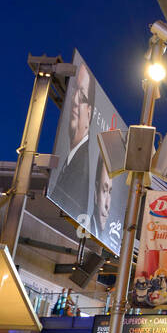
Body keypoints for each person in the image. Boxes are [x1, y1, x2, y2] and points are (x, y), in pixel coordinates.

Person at [51, 61, 94, 219]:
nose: (75, 100)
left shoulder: (80, 171)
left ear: (89, 114)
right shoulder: (73, 159)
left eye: (82, 96)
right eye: (74, 90)